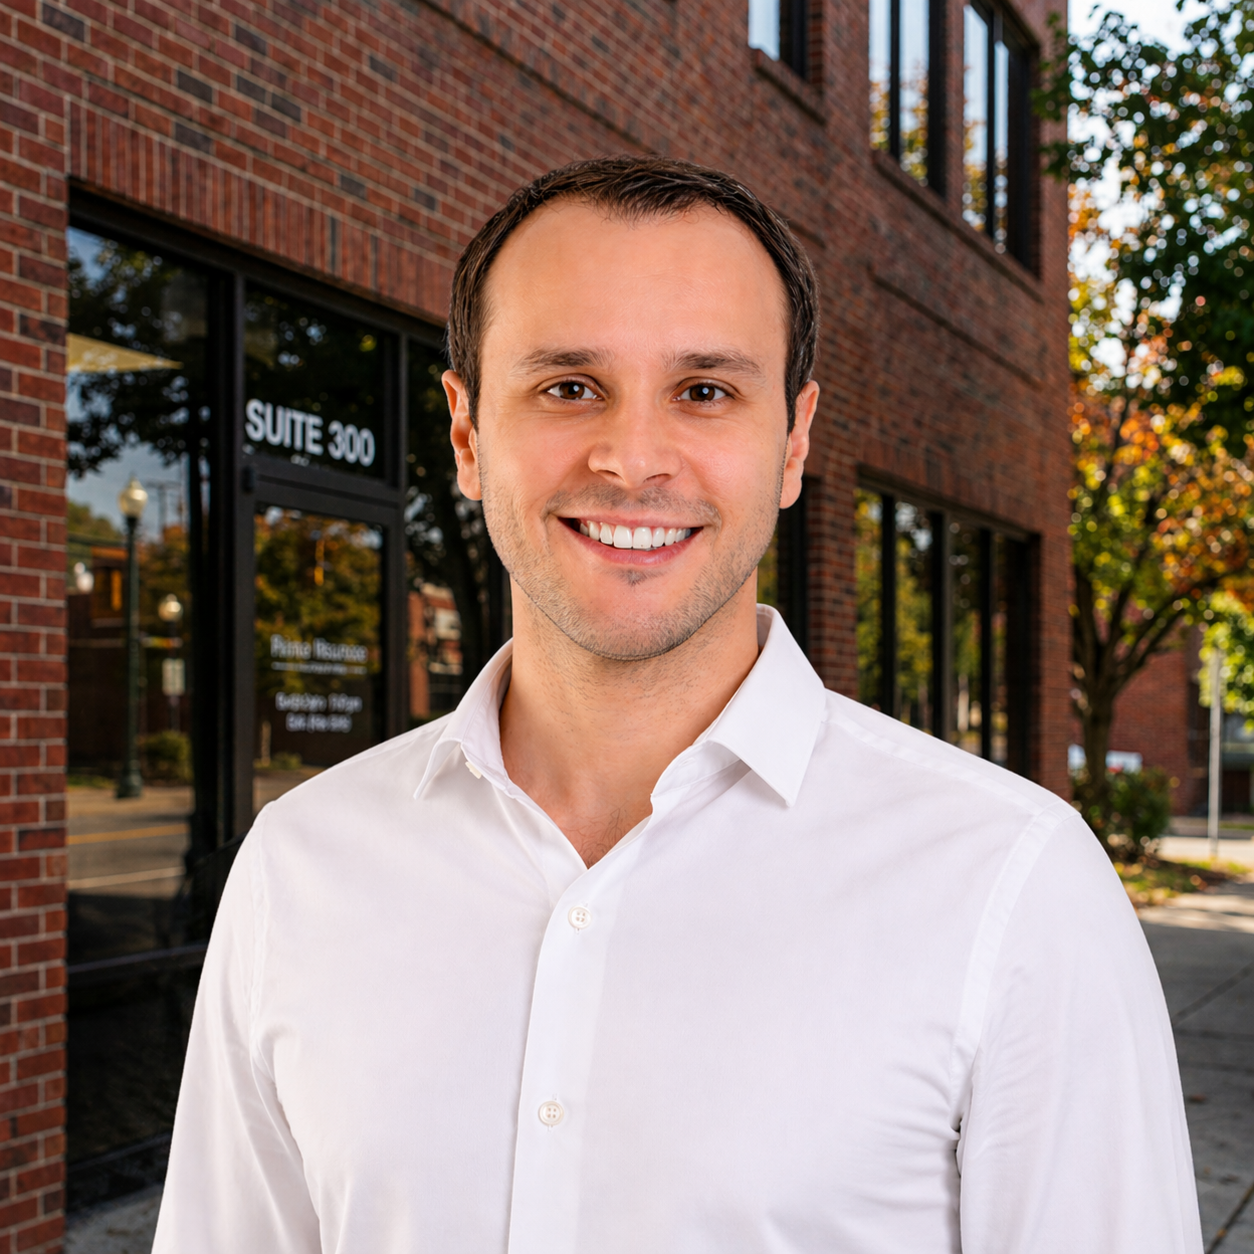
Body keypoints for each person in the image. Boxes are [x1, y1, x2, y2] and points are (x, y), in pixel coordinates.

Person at [153, 156, 1201, 1254]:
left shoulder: (1014, 889)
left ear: (793, 441)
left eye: (705, 391)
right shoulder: (298, 866)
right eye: (569, 386)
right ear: (466, 433)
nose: (633, 459)